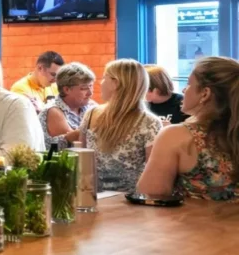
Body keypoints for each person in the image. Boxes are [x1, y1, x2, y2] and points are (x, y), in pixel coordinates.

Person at [137, 56, 239, 201]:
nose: (184, 90)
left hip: (197, 222)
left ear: (205, 93)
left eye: (189, 84)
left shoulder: (176, 136)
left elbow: (149, 195)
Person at [81, 59, 161, 192]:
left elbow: (153, 172)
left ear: (115, 83)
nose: (100, 83)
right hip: (92, 197)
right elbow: (81, 159)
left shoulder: (149, 122)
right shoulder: (91, 113)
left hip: (129, 200)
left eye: (104, 78)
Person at [38, 62, 97, 148]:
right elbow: (79, 144)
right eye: (84, 88)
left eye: (91, 86)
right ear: (66, 89)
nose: (90, 93)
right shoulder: (54, 111)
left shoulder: (90, 105)